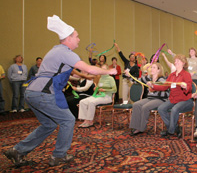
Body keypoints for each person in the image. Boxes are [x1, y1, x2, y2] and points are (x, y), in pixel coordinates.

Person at [3, 15, 117, 167]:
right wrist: (109, 72)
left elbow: (71, 72)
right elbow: (88, 67)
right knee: (68, 120)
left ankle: (18, 151)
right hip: (43, 93)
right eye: (76, 36)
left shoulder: (56, 51)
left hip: (33, 92)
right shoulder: (66, 52)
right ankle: (58, 156)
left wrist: (85, 75)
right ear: (68, 38)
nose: (79, 39)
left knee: (48, 125)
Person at [149, 54, 193, 138]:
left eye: (177, 61)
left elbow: (190, 88)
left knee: (174, 109)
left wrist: (185, 86)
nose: (175, 62)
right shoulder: (172, 75)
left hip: (185, 100)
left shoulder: (186, 74)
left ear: (183, 63)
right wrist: (153, 86)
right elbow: (164, 86)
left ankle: (170, 131)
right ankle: (175, 128)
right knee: (161, 108)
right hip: (173, 100)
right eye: (175, 60)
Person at [129, 63, 169, 135]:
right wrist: (129, 76)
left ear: (158, 70)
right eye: (151, 67)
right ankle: (135, 127)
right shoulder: (148, 77)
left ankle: (141, 128)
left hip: (160, 99)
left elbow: (165, 90)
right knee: (136, 104)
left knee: (145, 107)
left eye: (154, 67)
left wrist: (153, 85)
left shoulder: (162, 79)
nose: (151, 69)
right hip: (150, 98)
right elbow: (137, 81)